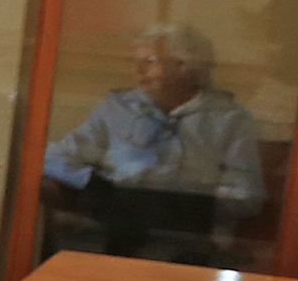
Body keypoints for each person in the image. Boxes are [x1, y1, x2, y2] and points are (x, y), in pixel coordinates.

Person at [40, 24, 268, 264]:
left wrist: (198, 196)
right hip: (114, 222)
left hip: (187, 232)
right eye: (137, 61)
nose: (139, 71)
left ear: (186, 67)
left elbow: (248, 195)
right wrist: (94, 183)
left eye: (150, 61)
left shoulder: (229, 119)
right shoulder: (117, 109)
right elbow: (52, 157)